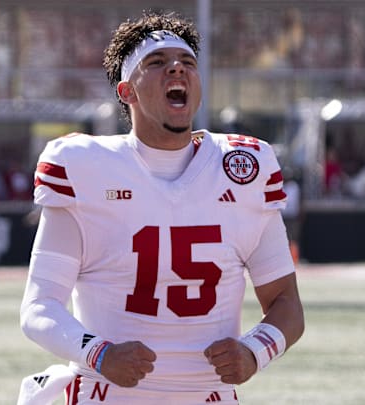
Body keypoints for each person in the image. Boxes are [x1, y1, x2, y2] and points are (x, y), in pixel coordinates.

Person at [19, 11, 304, 405]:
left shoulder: (241, 168)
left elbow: (287, 303)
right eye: (156, 63)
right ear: (127, 92)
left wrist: (255, 350)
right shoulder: (85, 167)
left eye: (187, 63)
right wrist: (98, 353)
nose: (177, 69)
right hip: (107, 396)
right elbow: (38, 307)